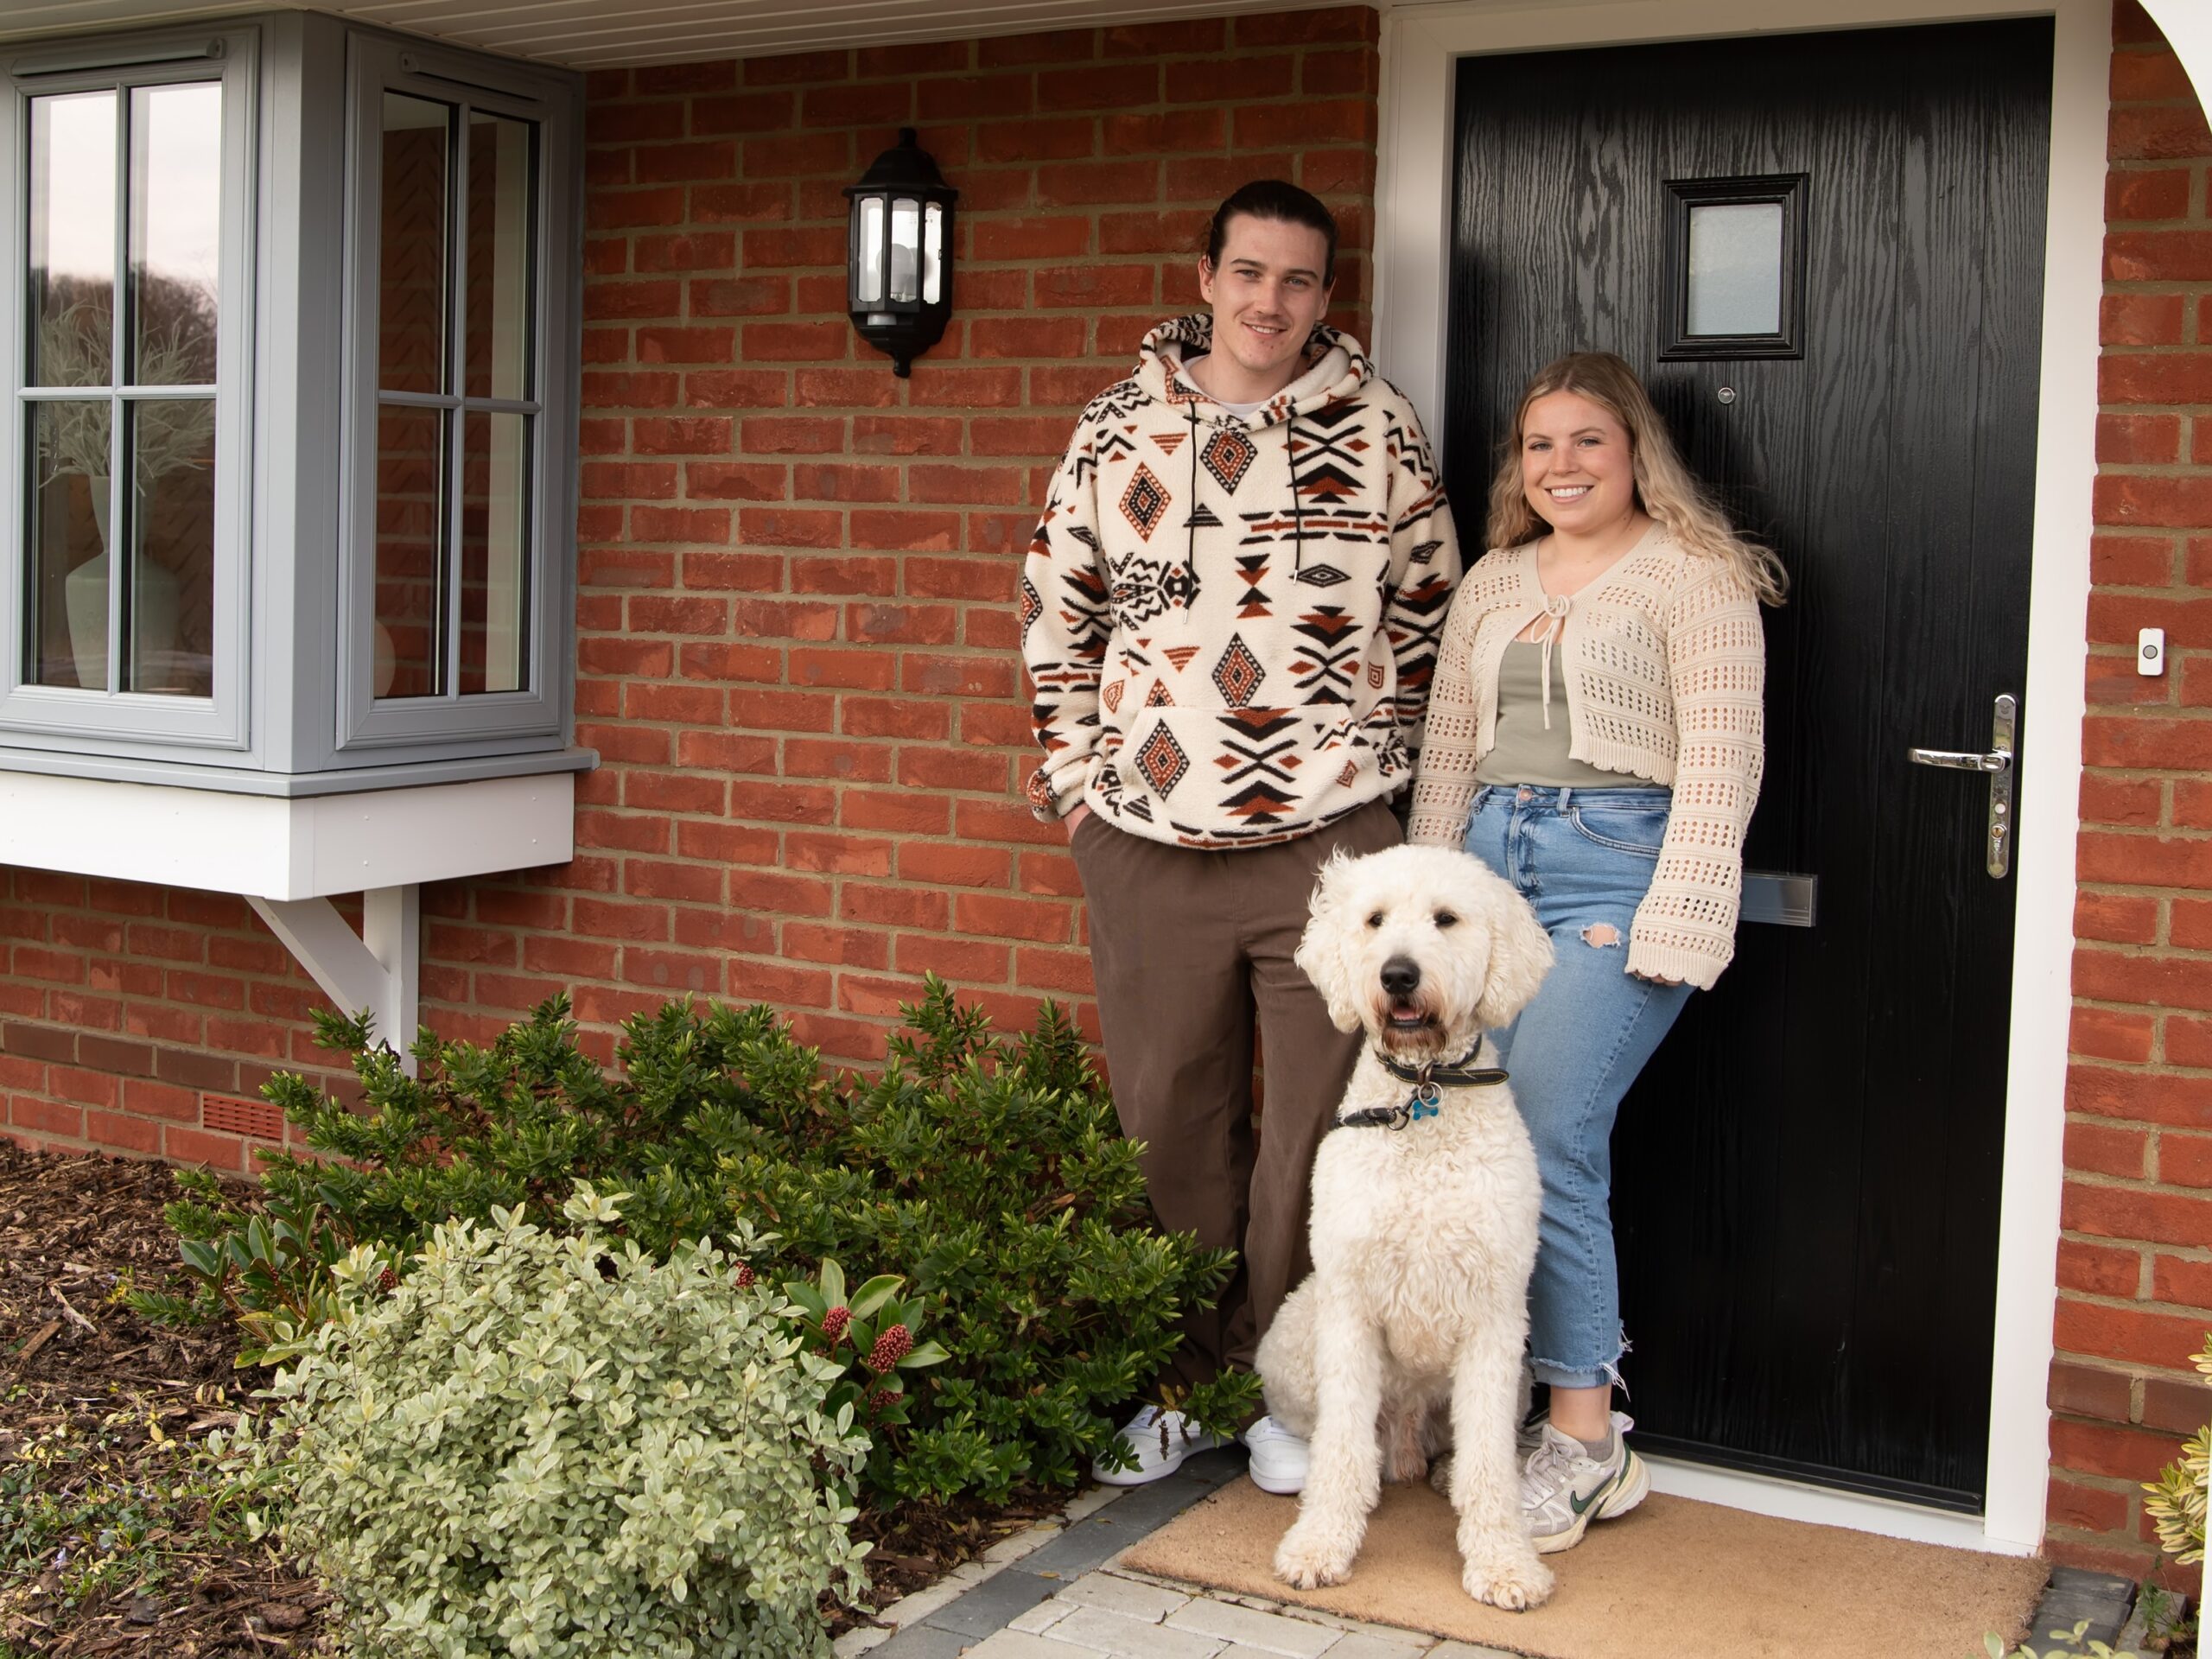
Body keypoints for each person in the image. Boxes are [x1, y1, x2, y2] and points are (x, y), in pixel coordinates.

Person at [1020, 181, 1462, 1490]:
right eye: (1251, 273)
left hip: (1328, 851)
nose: (1272, 301)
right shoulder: (1116, 428)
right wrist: (1078, 789)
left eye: (1300, 280)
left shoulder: (1379, 429)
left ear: (1327, 296)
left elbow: (1430, 616)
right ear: (1207, 276)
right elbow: (1057, 613)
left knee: (1321, 1138)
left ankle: (1295, 1393)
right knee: (1168, 1122)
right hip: (1146, 840)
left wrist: (1380, 777)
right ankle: (1186, 1389)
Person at [1405, 351, 1783, 1553]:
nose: (1561, 466)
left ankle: (1586, 1440)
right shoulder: (1493, 580)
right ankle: (1486, 1402)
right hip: (1486, 873)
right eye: (1540, 445)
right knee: (1463, 1141)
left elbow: (1723, 760)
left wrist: (1685, 911)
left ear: (1634, 454)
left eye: (1588, 442)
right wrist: (1423, 903)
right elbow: (1448, 751)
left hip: (1615, 871)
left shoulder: (1696, 575)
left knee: (1546, 1134)